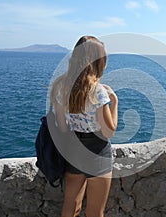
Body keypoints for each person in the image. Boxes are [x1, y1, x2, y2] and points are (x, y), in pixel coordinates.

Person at [50, 36, 118, 217]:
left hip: (73, 150)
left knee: (71, 207)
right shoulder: (98, 91)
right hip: (97, 151)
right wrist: (115, 102)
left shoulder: (59, 86)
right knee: (95, 212)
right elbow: (109, 131)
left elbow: (63, 127)